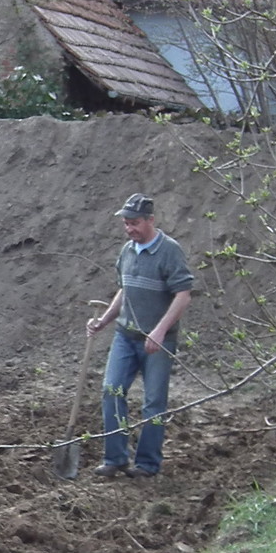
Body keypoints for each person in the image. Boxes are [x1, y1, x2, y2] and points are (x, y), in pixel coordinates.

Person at [86, 193, 195, 478]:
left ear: (150, 220)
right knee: (112, 391)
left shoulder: (170, 251)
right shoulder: (127, 251)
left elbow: (183, 296)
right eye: (126, 223)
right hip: (125, 336)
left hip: (159, 342)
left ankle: (147, 465)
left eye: (134, 223)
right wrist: (104, 321)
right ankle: (116, 458)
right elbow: (125, 290)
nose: (129, 228)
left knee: (154, 403)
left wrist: (159, 330)